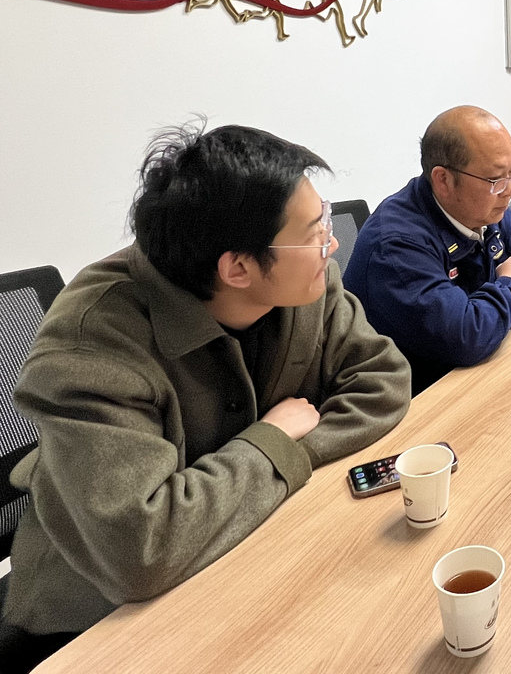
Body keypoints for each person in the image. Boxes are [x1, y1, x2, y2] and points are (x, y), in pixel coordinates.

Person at [0, 124, 411, 669]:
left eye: (326, 221)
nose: (330, 245)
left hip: (250, 545)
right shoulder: (90, 347)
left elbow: (382, 380)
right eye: (314, 232)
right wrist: (272, 440)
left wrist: (287, 453)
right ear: (237, 268)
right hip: (98, 622)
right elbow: (143, 551)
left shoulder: (305, 282)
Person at [344, 107, 511, 394]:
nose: (510, 189)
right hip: (415, 396)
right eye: (496, 178)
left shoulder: (487, 209)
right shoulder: (396, 243)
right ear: (443, 180)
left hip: (480, 370)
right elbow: (466, 339)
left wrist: (492, 318)